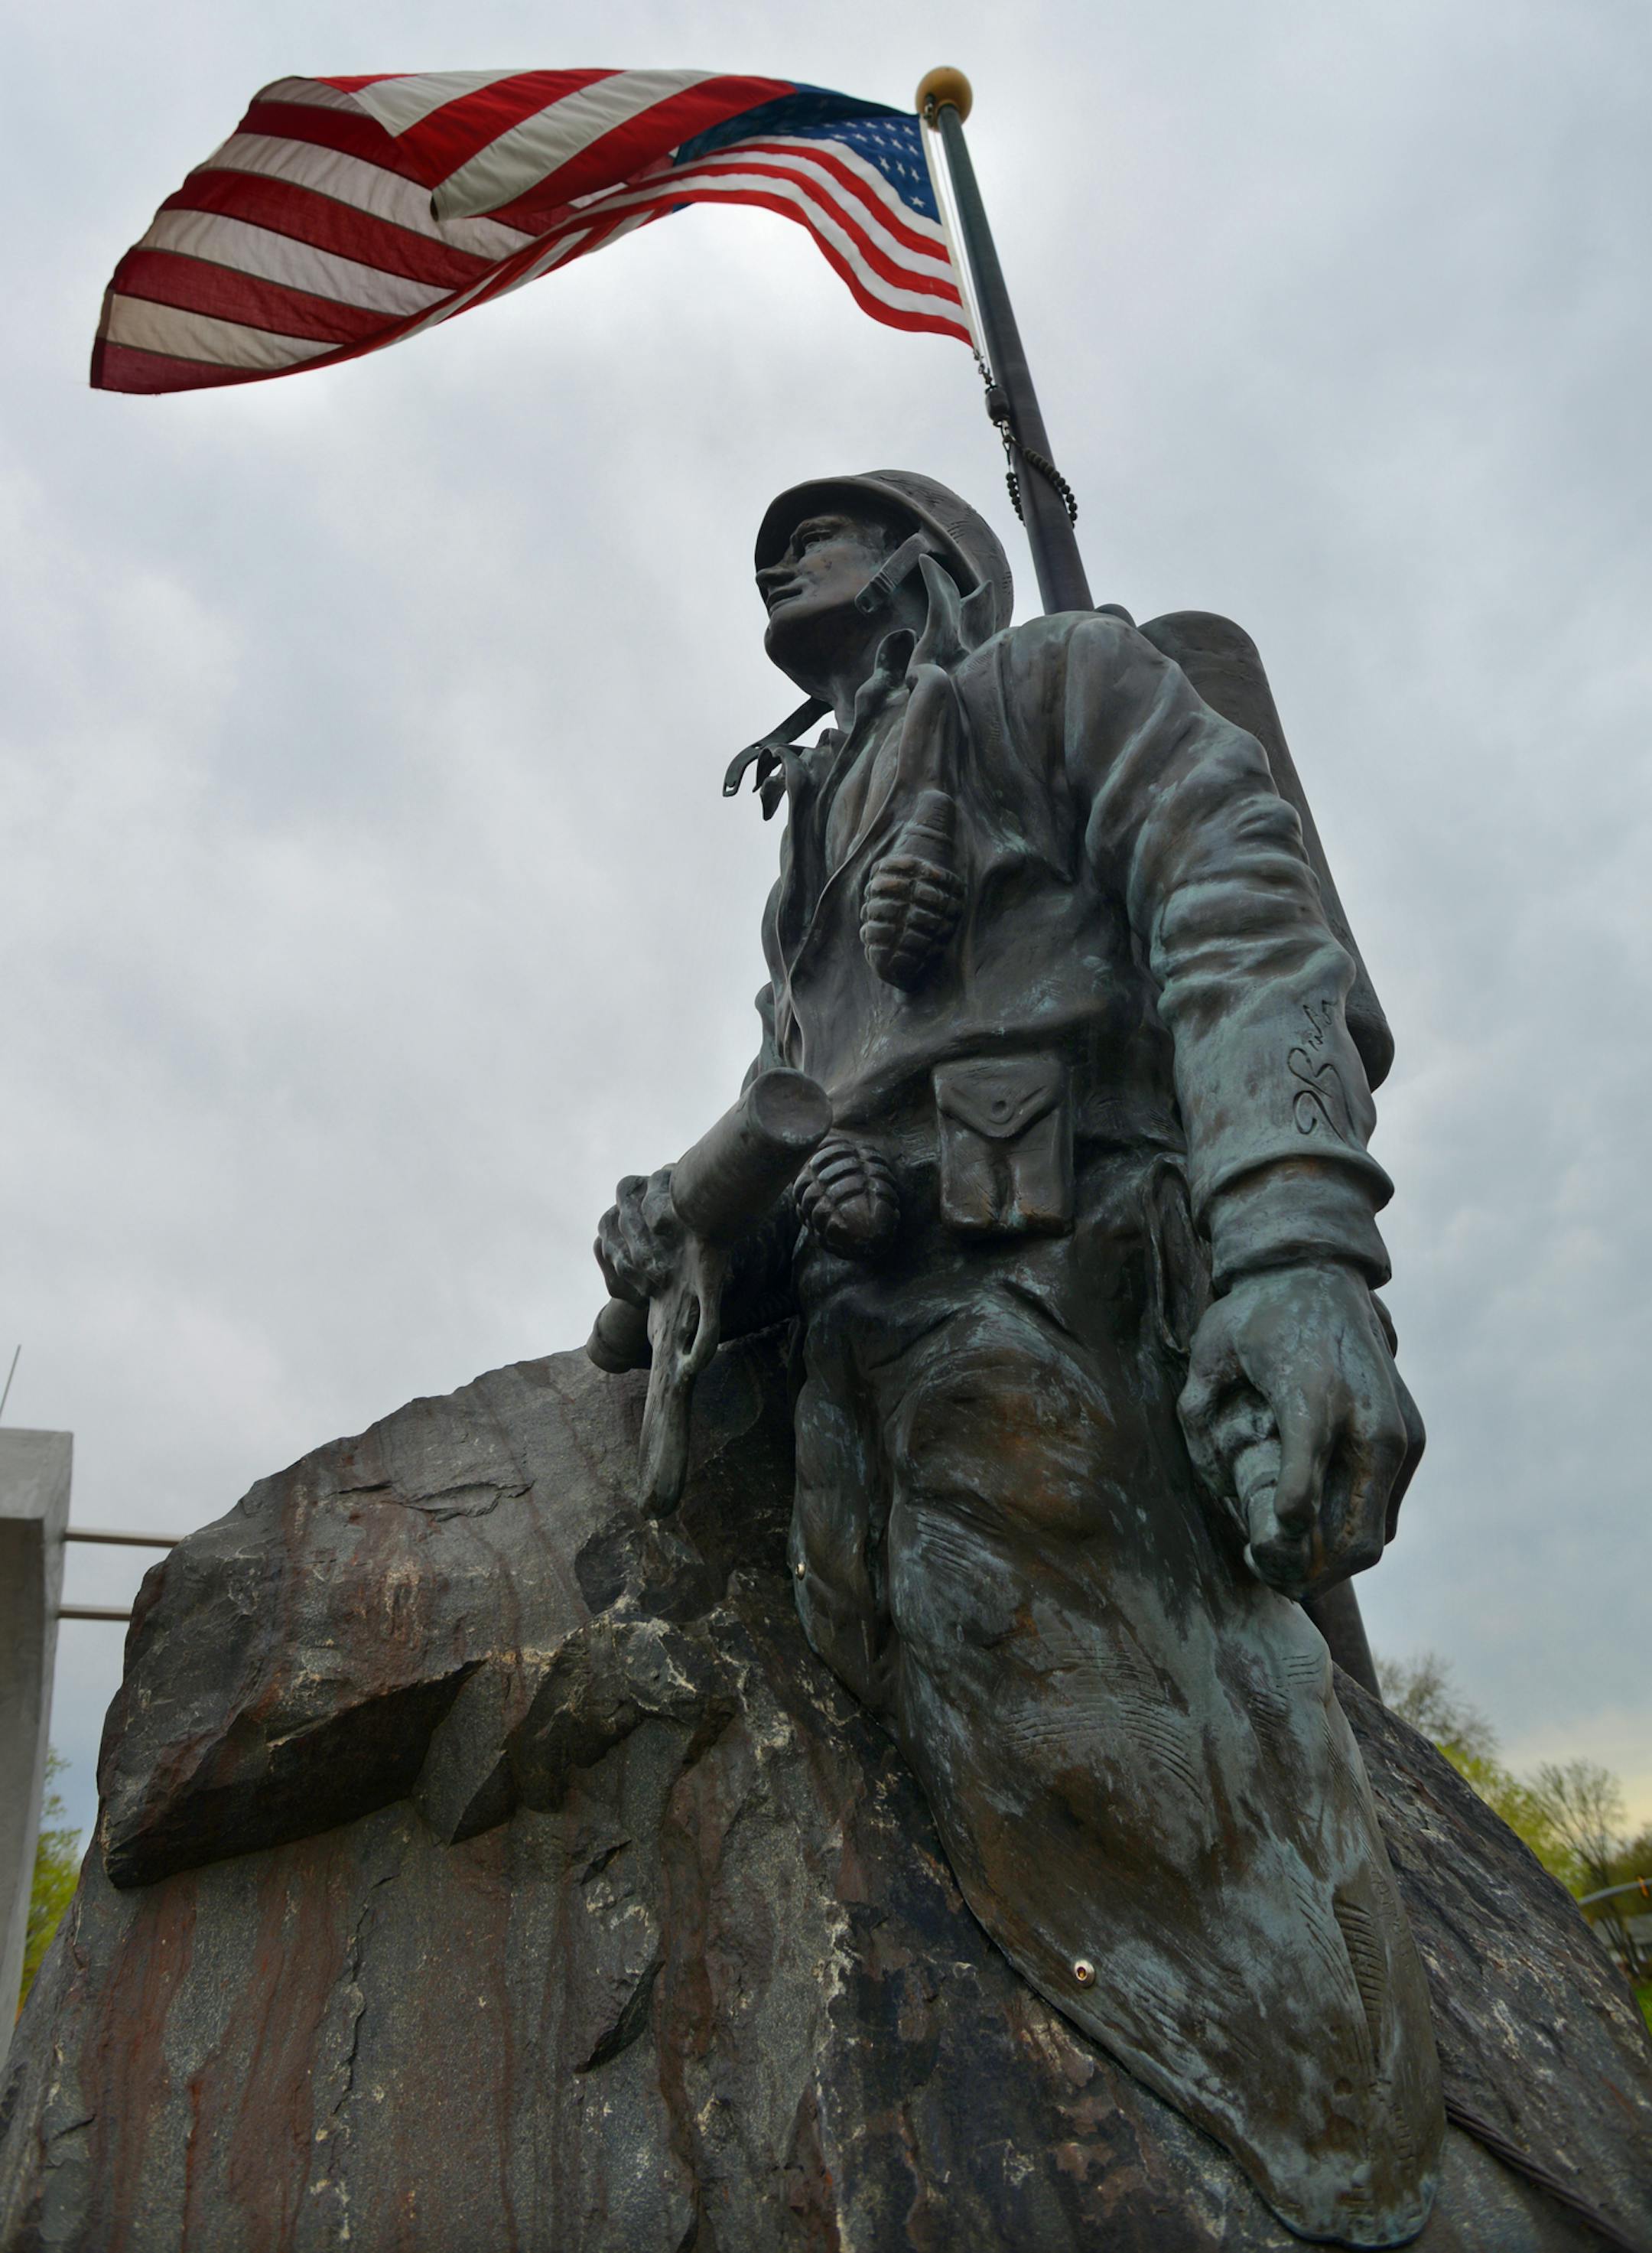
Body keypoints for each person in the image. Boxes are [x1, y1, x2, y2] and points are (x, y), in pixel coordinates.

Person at [597, 472, 1441, 2246]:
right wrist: (679, 1217)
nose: (780, 555)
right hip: (860, 1360)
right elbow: (799, 1085)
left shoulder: (1063, 682)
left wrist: (1296, 1251)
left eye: (820, 528)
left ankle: (1327, 2175)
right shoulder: (809, 850)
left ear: (927, 562)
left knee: (1164, 1834)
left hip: (1063, 1314)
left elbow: (1239, 904)